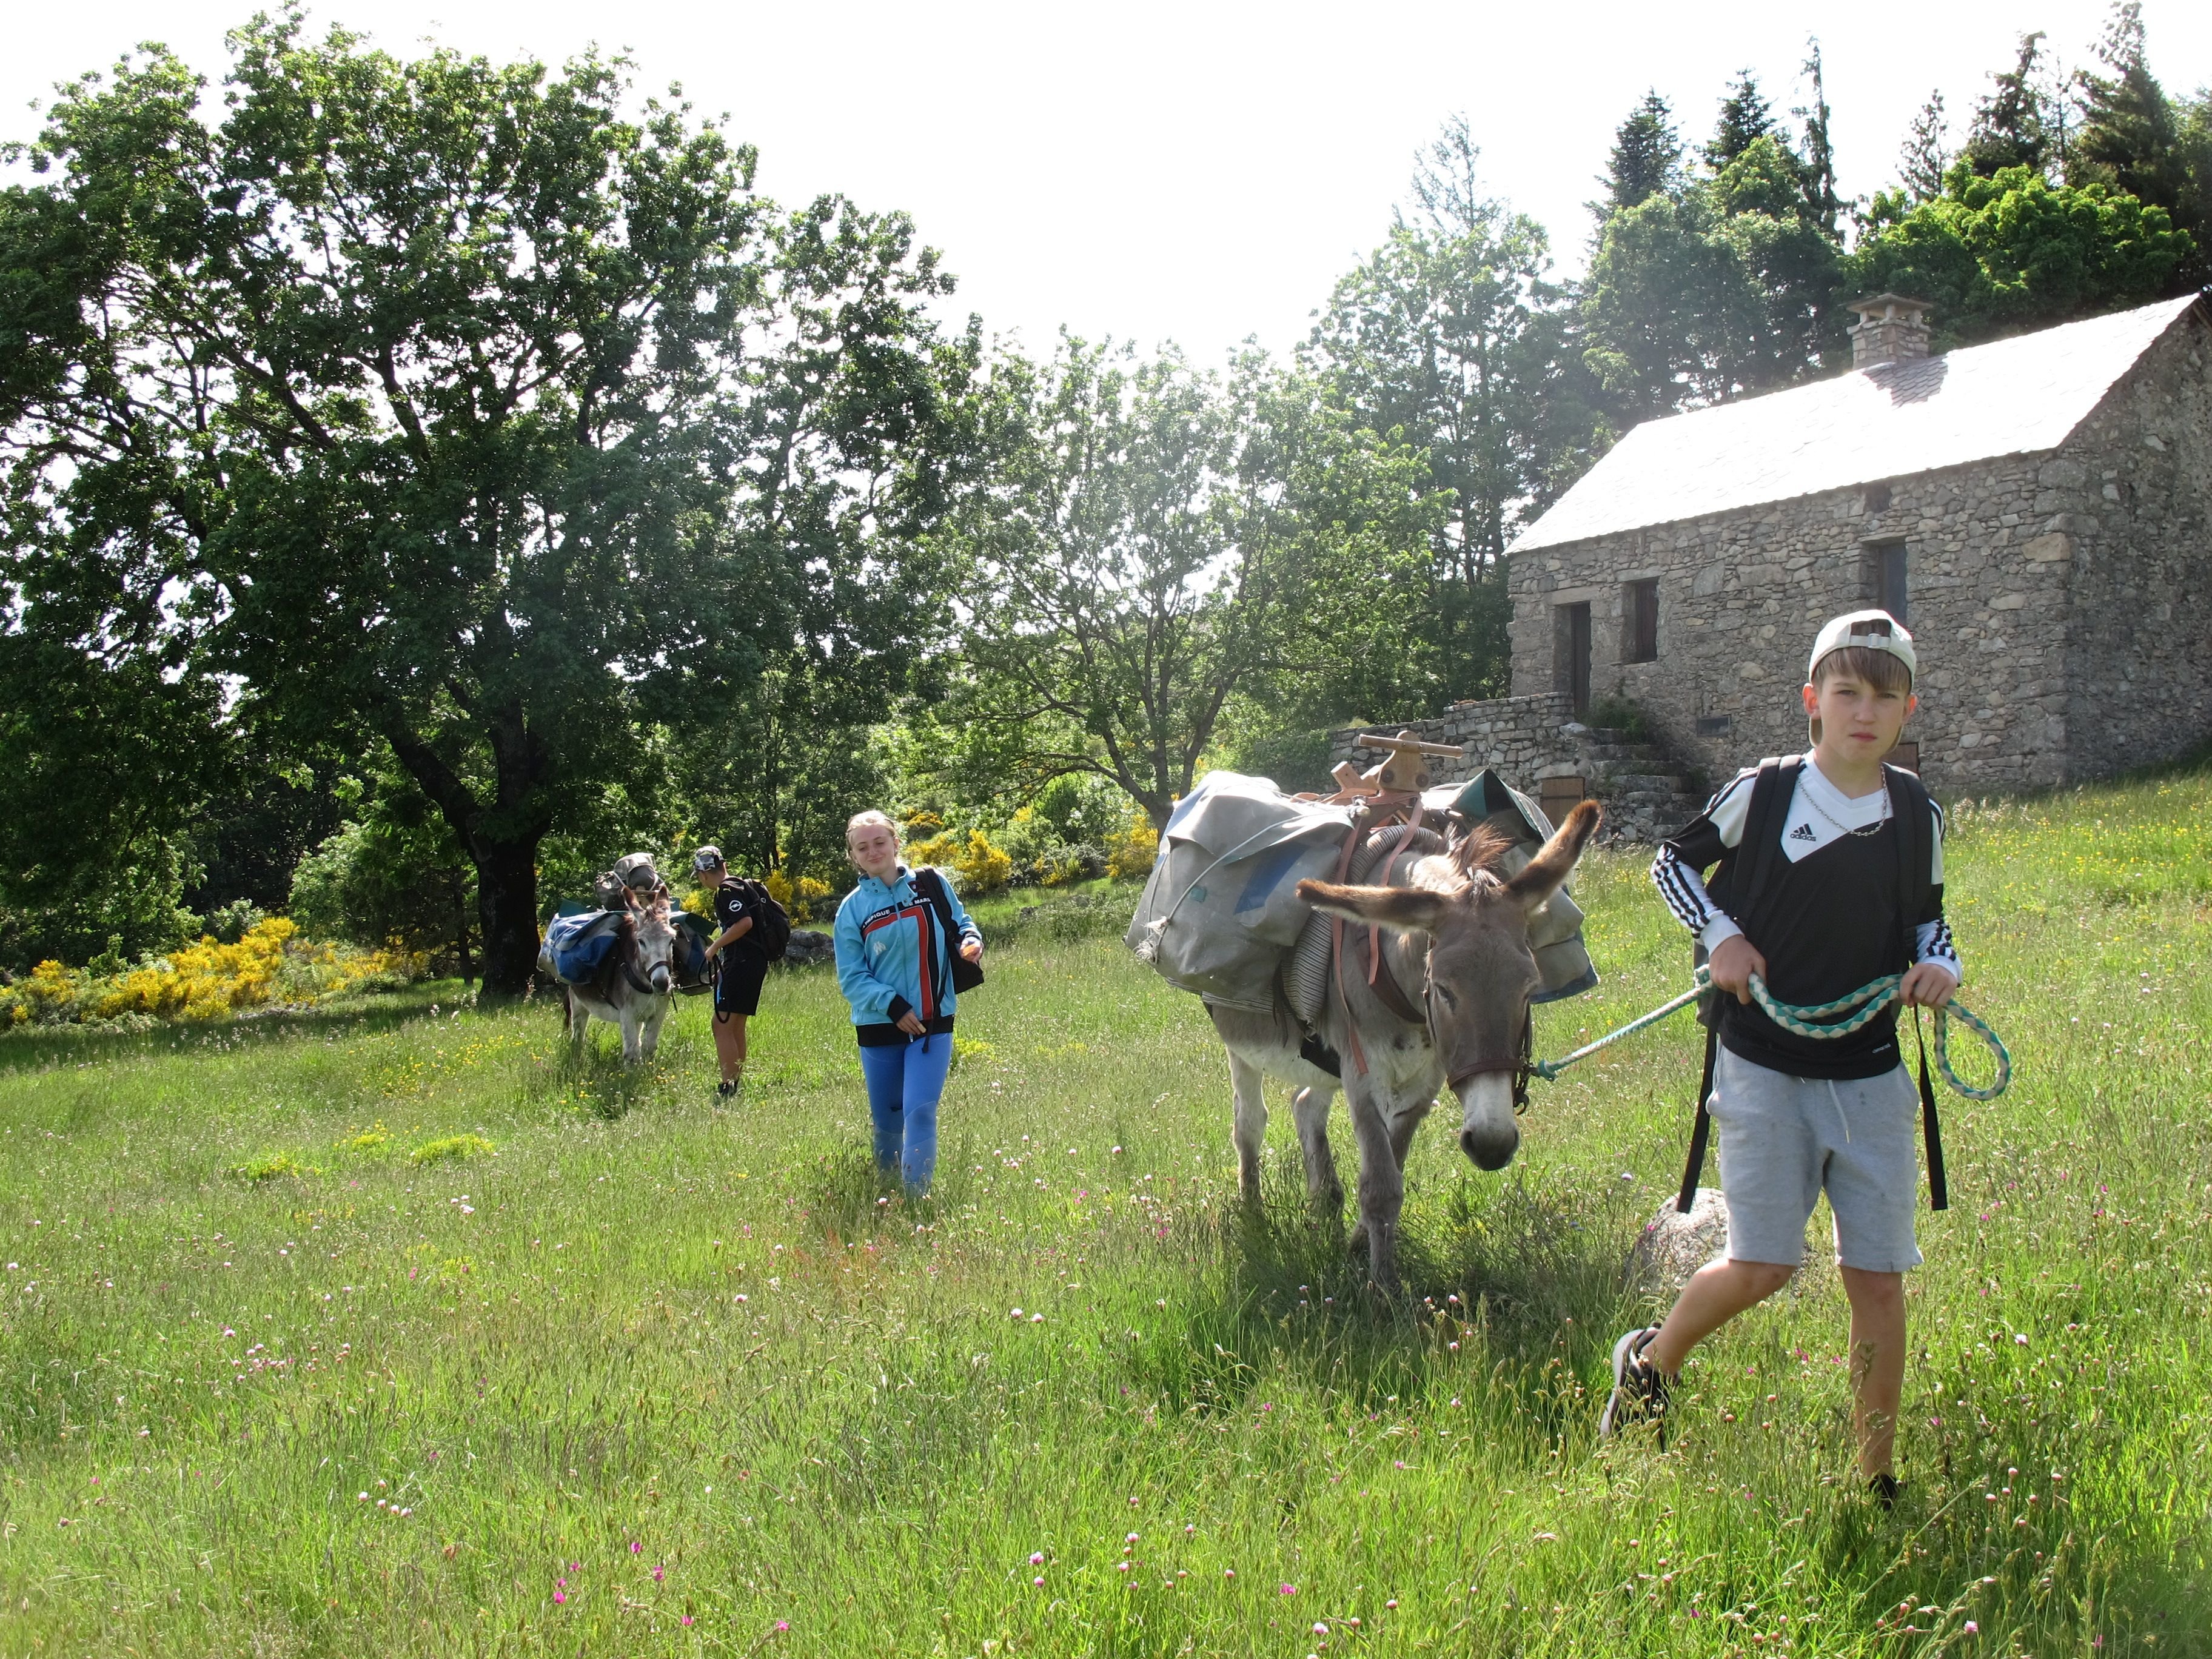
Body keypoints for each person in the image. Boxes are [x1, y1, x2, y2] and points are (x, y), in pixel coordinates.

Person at [1603, 610, 1961, 1506]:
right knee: (1764, 1265)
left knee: (1878, 1280)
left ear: (1907, 710)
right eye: (1847, 692)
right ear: (1813, 700)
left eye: (1884, 696)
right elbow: (1668, 867)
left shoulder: (1918, 812)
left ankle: (1875, 1475)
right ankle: (1649, 1365)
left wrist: (1939, 962)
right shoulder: (1763, 795)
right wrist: (1721, 935)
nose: (1864, 712)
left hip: (1872, 1073)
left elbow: (1928, 917)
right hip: (1762, 1064)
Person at [832, 811, 982, 1196]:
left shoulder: (931, 884)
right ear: (853, 855)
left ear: (896, 843)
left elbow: (962, 922)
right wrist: (893, 1006)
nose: (873, 851)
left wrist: (970, 940)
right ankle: (886, 1195)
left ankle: (917, 1202)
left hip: (933, 1021)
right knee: (888, 1119)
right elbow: (852, 977)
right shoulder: (851, 910)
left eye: (880, 842)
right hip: (880, 1025)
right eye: (862, 847)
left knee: (919, 1111)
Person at [694, 846, 764, 1099]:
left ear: (703, 874)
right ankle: (735, 1081)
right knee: (735, 1025)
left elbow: (744, 923)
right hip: (751, 962)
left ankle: (727, 1085)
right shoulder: (742, 885)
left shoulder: (725, 891)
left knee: (721, 1024)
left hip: (742, 962)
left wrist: (714, 947)